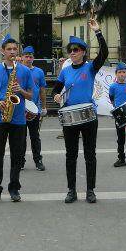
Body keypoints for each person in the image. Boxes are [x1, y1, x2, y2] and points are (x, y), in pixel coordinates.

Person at [50, 14, 107, 204]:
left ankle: (90, 190)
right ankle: (71, 190)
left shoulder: (91, 68)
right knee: (71, 155)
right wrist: (56, 96)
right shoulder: (65, 71)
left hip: (89, 116)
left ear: (83, 52)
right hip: (70, 117)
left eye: (75, 50)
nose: (72, 53)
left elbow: (104, 53)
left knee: (90, 154)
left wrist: (97, 31)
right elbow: (55, 90)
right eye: (70, 50)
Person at [0, 35, 34, 203]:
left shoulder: (25, 70)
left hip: (18, 119)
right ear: (2, 51)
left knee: (17, 156)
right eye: (9, 49)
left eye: (14, 49)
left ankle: (14, 188)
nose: (12, 52)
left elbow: (30, 95)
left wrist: (21, 91)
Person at [19, 46, 47, 171]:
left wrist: (44, 107)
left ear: (33, 58)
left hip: (34, 108)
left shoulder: (39, 72)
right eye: (26, 56)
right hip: (20, 109)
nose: (29, 59)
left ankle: (38, 160)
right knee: (21, 137)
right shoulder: (17, 70)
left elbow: (42, 90)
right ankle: (21, 161)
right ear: (22, 57)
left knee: (35, 136)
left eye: (31, 57)